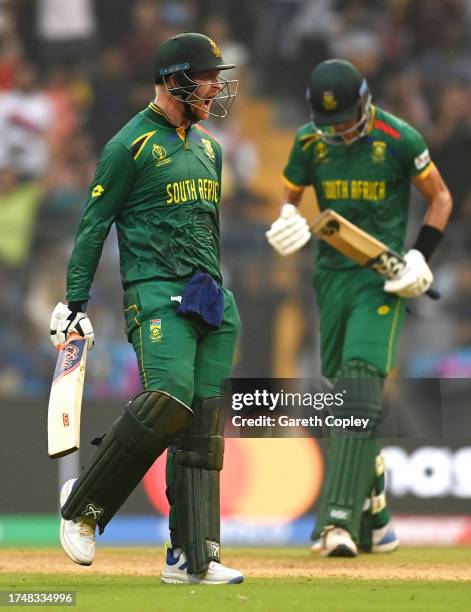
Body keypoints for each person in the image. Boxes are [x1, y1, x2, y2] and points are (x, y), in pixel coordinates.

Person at [49, 32, 243, 584]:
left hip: (210, 296)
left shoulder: (211, 149)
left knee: (203, 423)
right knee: (167, 400)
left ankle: (192, 556)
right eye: (206, 76)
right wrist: (74, 301)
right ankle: (83, 506)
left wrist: (219, 295)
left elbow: (208, 228)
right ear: (174, 79)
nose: (214, 86)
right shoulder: (128, 145)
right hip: (156, 290)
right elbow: (93, 227)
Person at [267, 59, 452, 557]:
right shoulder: (308, 142)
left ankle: (336, 523)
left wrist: (419, 257)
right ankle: (378, 516)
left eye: (346, 121)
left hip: (383, 278)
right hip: (330, 278)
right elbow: (291, 199)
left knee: (358, 380)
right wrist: (286, 222)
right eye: (330, 125)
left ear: (366, 103)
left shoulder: (399, 138)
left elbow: (440, 199)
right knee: (340, 393)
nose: (339, 132)